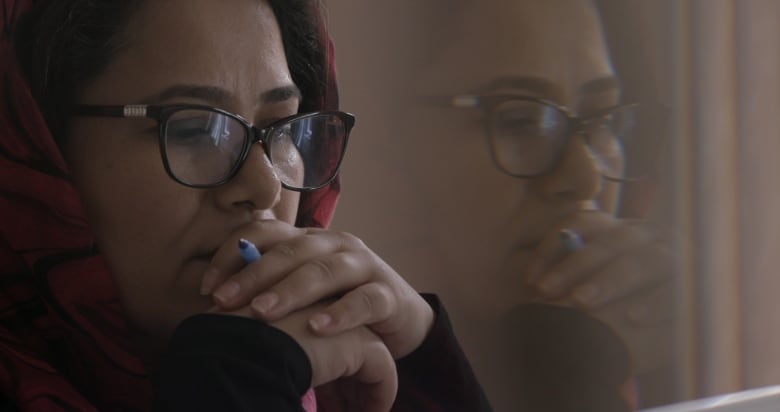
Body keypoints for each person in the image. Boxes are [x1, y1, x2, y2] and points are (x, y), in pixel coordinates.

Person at [0, 0, 491, 411]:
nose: (265, 188)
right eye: (195, 129)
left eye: (284, 128)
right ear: (40, 145)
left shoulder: (341, 376)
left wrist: (425, 364)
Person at [330, 0, 679, 410]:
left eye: (602, 116)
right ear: (380, 149)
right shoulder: (302, 376)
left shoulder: (662, 338)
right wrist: (564, 373)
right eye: (518, 121)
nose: (585, 179)